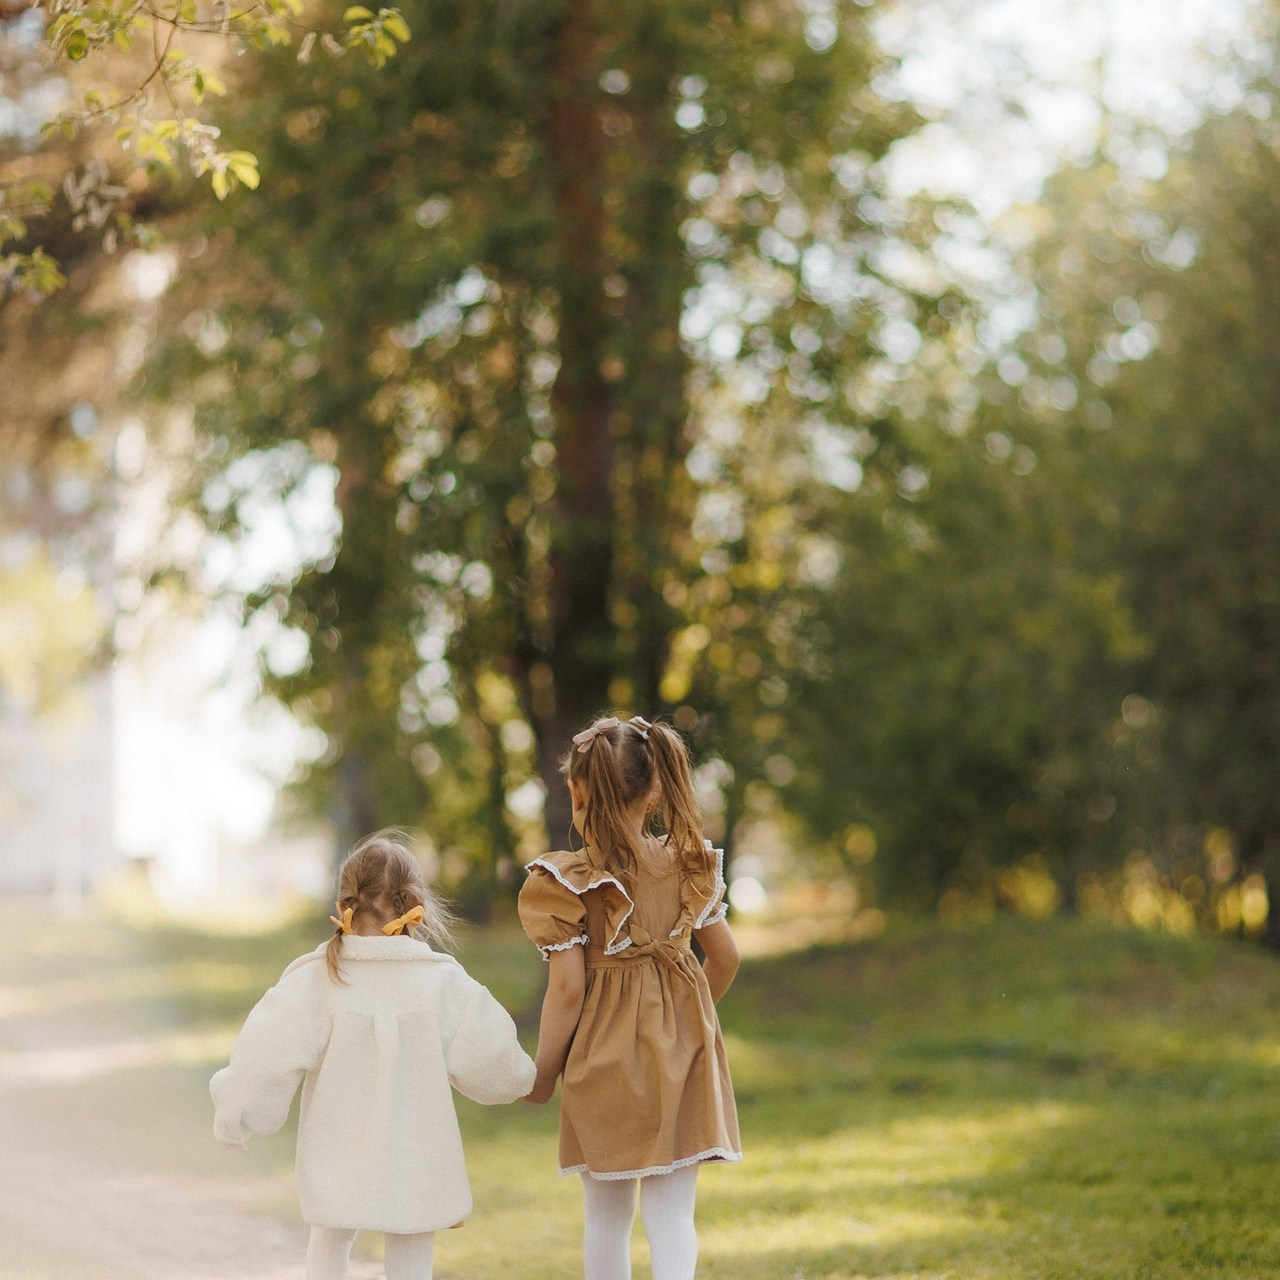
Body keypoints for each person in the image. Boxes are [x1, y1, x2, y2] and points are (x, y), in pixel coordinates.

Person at [210, 829, 536, 1280]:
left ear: (345, 899)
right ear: (414, 900)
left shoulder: (317, 977)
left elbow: (265, 1052)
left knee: (329, 1237)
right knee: (412, 1244)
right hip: (417, 1152)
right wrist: (524, 1078)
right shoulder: (439, 980)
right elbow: (497, 1063)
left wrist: (237, 1113)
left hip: (337, 1149)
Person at [518, 714, 742, 1280]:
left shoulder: (566, 880)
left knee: (608, 1219)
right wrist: (689, 1024)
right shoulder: (689, 865)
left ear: (576, 791)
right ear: (655, 793)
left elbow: (568, 990)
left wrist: (542, 1077)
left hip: (605, 1060)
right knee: (672, 1217)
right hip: (682, 1059)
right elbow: (726, 958)